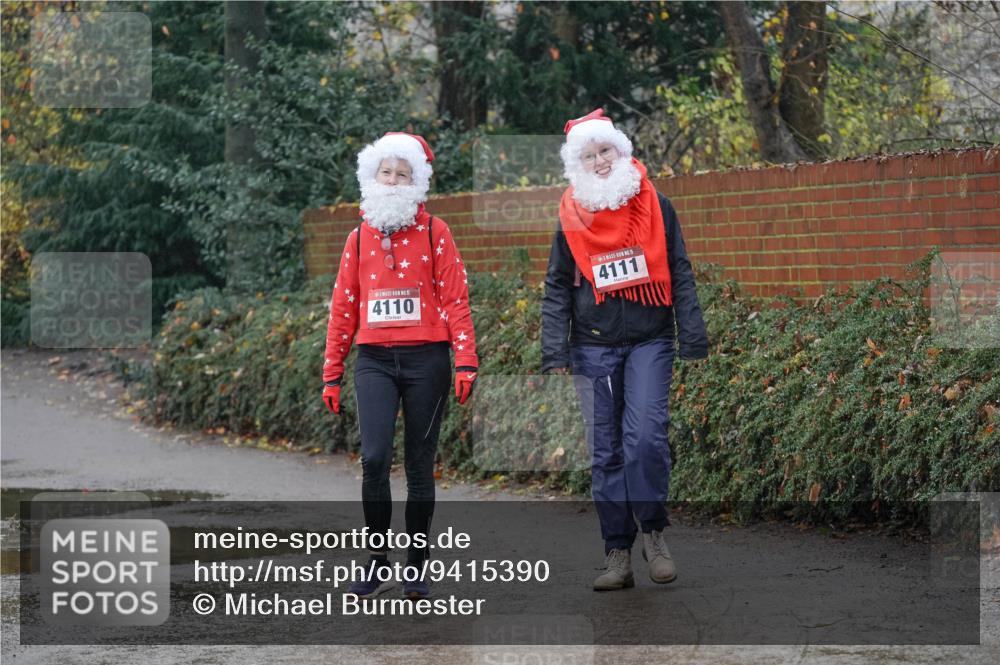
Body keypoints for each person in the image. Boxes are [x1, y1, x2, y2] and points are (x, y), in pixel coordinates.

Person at [541, 109, 708, 591]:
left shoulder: (657, 204)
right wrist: (554, 352)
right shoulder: (570, 215)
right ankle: (617, 552)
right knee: (607, 452)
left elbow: (679, 269)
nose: (599, 161)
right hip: (592, 346)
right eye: (588, 156)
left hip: (650, 339)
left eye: (606, 151)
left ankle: (653, 533)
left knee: (646, 439)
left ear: (622, 151)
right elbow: (557, 285)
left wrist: (692, 336)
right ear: (577, 164)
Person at [322, 132, 479, 600]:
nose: (392, 180)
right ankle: (376, 561)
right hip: (373, 361)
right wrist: (332, 371)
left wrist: (465, 360)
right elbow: (343, 307)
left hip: (426, 360)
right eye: (386, 172)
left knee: (418, 464)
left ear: (417, 182)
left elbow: (456, 298)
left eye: (402, 174)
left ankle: (416, 564)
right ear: (373, 178)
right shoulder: (358, 237)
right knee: (373, 458)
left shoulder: (436, 232)